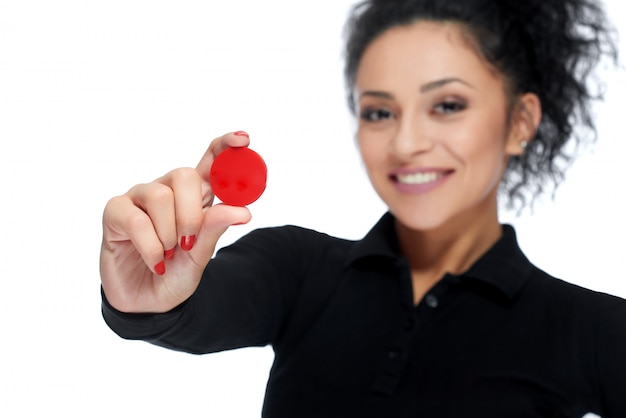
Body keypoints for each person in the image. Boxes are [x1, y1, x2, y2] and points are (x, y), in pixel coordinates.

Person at [100, 0, 626, 416]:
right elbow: (199, 308)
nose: (406, 142)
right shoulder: (298, 267)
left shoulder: (590, 329)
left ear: (520, 122)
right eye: (379, 111)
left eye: (446, 105)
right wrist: (149, 295)